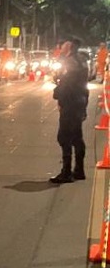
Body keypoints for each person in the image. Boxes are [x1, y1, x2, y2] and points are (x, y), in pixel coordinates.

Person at [50, 40, 89, 184]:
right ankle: (79, 170)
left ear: (70, 47)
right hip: (80, 101)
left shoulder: (69, 62)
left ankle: (66, 172)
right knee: (77, 137)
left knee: (64, 137)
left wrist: (57, 92)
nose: (61, 47)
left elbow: (67, 85)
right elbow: (83, 84)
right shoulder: (82, 61)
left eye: (64, 45)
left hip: (70, 103)